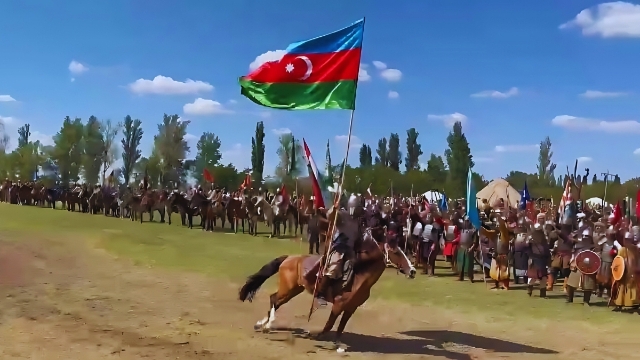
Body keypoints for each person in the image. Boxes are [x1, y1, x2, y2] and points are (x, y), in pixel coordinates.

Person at [315, 195, 362, 305]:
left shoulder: (357, 221)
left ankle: (346, 291)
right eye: (357, 207)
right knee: (334, 266)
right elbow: (330, 216)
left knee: (358, 266)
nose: (359, 210)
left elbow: (358, 235)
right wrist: (334, 209)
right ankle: (321, 294)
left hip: (350, 249)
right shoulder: (342, 215)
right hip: (339, 246)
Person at [566, 227, 597, 305]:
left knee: (588, 285)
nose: (585, 238)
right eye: (584, 237)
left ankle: (586, 301)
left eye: (587, 237)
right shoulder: (577, 245)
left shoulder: (593, 247)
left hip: (588, 266)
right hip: (577, 264)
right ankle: (570, 299)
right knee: (571, 283)